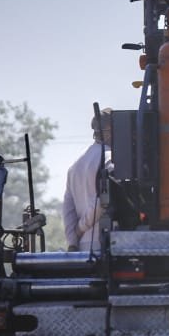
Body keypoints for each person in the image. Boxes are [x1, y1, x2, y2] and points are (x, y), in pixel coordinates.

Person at [62, 108, 112, 253]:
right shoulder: (110, 160)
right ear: (110, 129)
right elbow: (103, 202)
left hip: (82, 246)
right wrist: (81, 228)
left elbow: (67, 210)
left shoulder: (75, 165)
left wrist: (72, 241)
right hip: (105, 244)